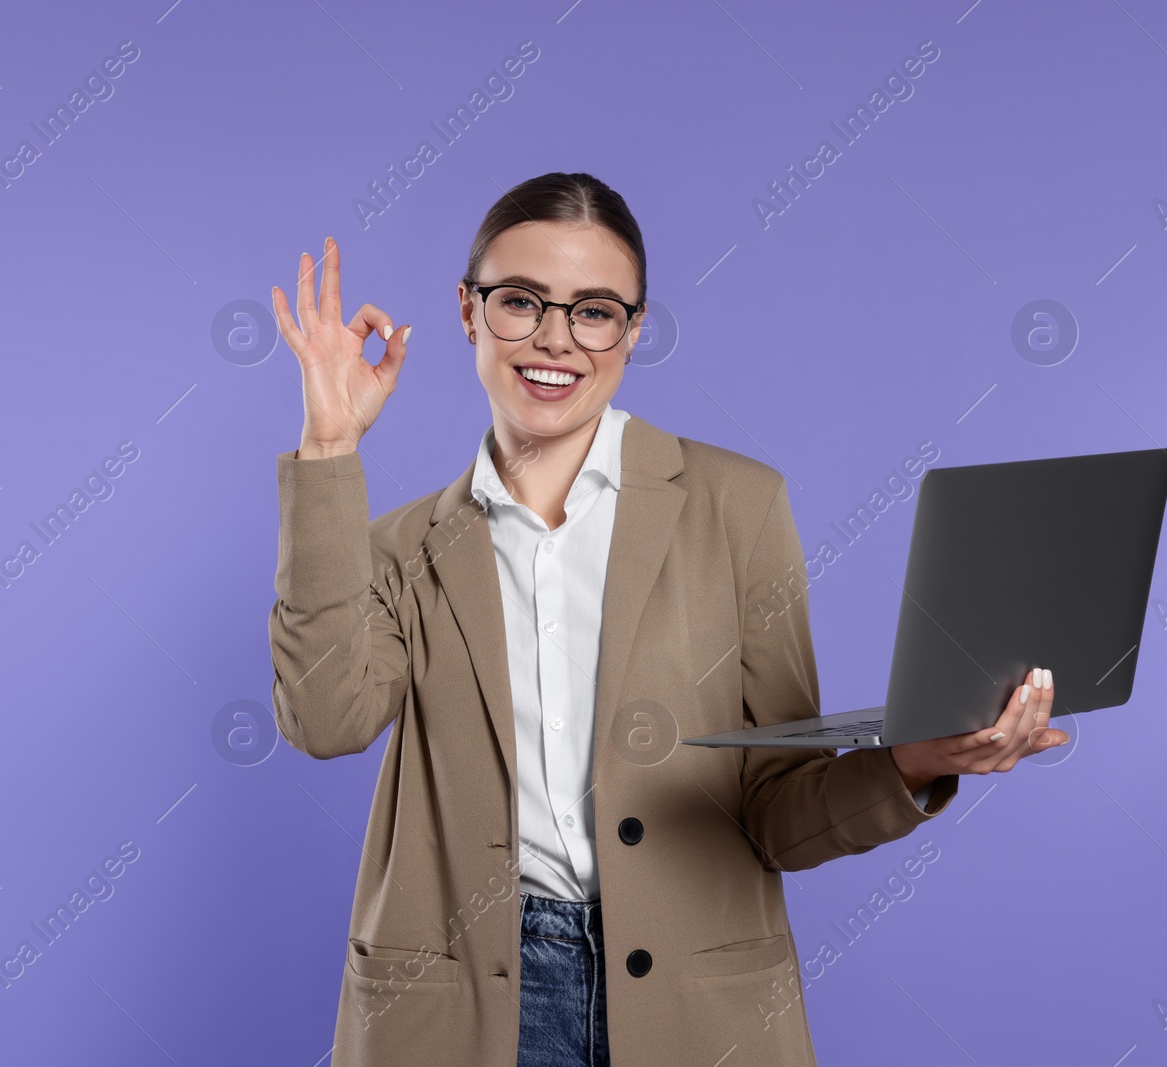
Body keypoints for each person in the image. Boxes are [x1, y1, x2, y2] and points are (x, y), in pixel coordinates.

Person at [266, 172, 1068, 1067]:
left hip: (698, 1009)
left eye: (595, 311)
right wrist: (330, 448)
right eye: (520, 302)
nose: (555, 340)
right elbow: (325, 718)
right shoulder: (393, 547)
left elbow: (775, 812)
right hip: (459, 1010)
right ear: (466, 311)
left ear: (634, 328)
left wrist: (919, 760)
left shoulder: (739, 506)